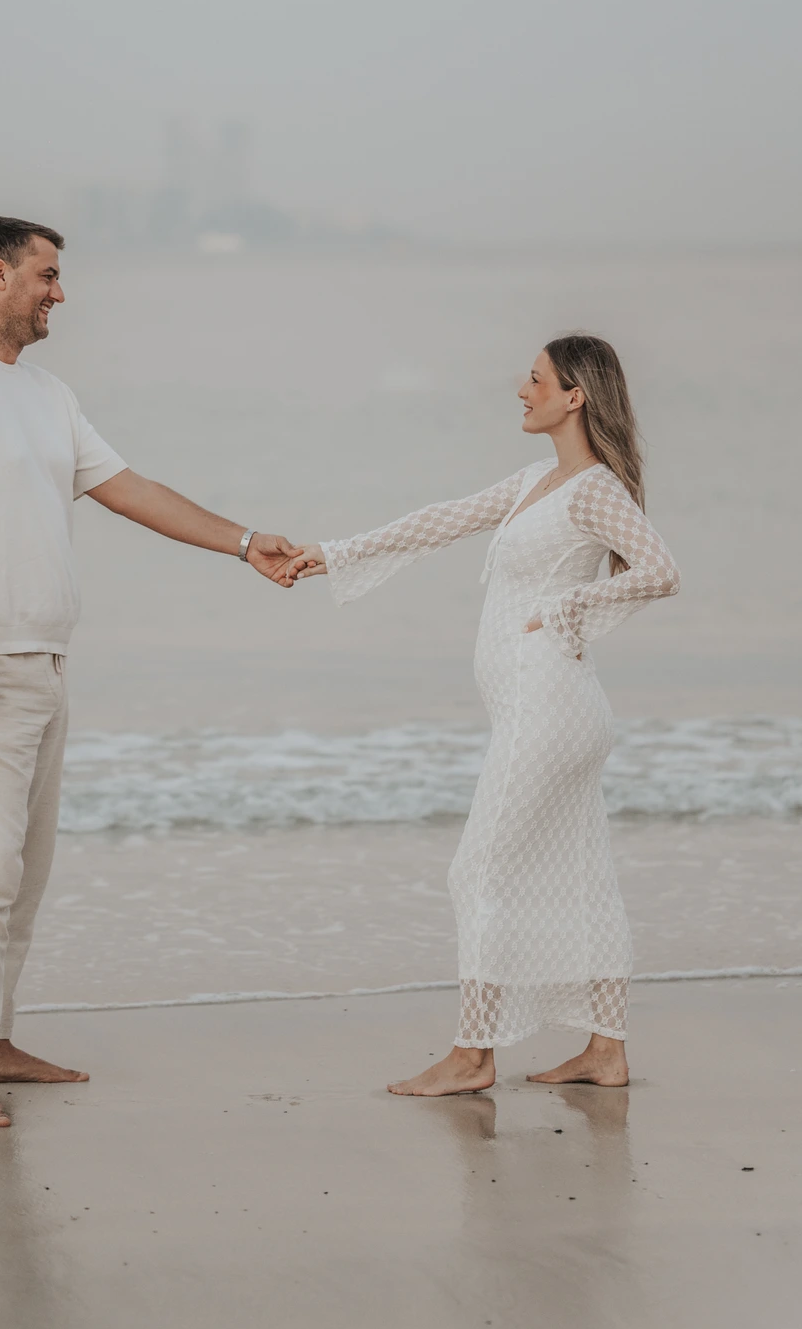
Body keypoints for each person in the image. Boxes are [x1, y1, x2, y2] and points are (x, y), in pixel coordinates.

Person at [0, 216, 300, 1128]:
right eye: (46, 274)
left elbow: (128, 488)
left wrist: (243, 542)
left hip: (43, 658)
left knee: (26, 873)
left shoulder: (44, 393)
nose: (58, 293)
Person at [285, 335, 680, 1095]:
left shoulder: (593, 488)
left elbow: (660, 571)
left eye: (535, 380)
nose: (520, 389)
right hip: (548, 709)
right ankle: (605, 1050)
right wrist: (331, 553)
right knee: (582, 874)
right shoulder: (540, 480)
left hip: (548, 706)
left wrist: (570, 606)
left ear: (575, 397)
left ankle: (473, 1054)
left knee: (477, 871)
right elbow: (440, 520)